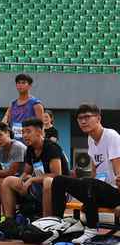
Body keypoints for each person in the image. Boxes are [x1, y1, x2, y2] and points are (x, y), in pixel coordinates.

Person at [45, 103, 120, 244]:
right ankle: (58, 223)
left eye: (87, 117)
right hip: (97, 189)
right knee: (59, 180)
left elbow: (119, 171)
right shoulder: (91, 139)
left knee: (89, 183)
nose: (83, 121)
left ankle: (91, 229)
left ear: (98, 118)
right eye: (80, 118)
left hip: (115, 192)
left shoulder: (111, 136)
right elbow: (94, 171)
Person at [0, 118, 69, 237]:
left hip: (59, 190)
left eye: (28, 132)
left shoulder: (52, 147)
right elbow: (27, 172)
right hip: (39, 186)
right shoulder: (30, 149)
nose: (25, 135)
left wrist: (32, 179)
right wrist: (22, 179)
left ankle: (45, 224)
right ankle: (10, 222)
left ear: (39, 132)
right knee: (8, 181)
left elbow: (57, 175)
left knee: (48, 181)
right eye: (23, 132)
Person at [2, 74, 44, 142]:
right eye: (18, 83)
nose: (20, 85)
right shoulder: (13, 104)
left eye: (23, 83)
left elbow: (41, 127)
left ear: (30, 86)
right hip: (15, 143)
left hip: (30, 144)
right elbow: (5, 122)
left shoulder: (36, 104)